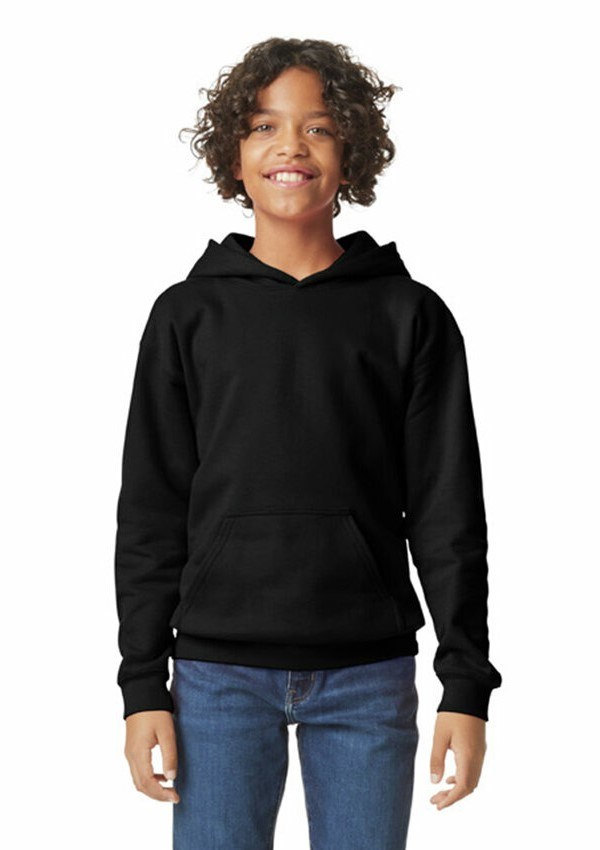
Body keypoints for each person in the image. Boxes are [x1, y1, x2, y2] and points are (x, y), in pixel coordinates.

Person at [114, 37, 502, 850]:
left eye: (318, 128)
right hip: (216, 679)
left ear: (351, 152)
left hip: (369, 677)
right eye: (264, 126)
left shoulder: (409, 316)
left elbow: (448, 514)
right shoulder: (186, 317)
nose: (290, 146)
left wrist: (466, 684)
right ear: (234, 155)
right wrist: (143, 682)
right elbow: (151, 513)